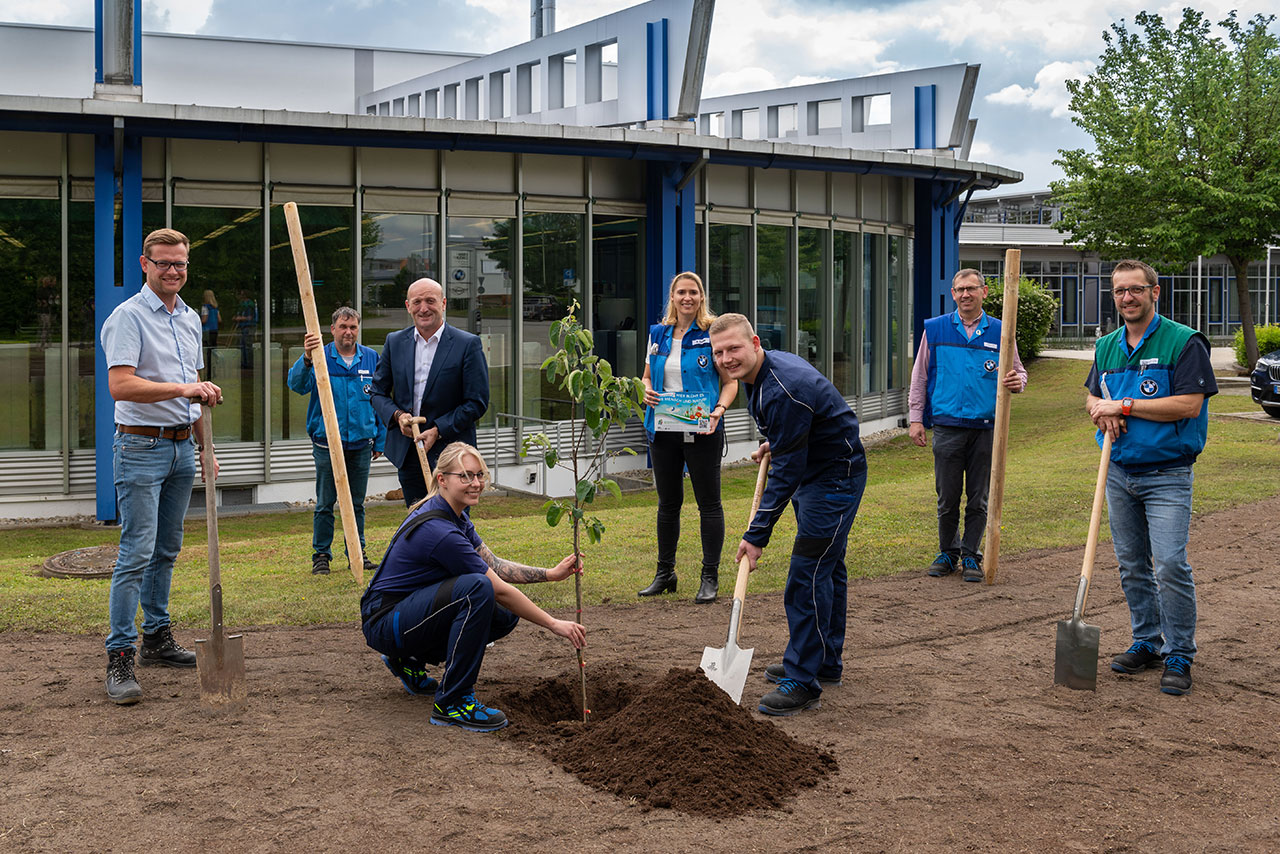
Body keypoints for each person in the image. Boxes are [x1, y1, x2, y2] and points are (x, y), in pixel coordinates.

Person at [360, 442, 586, 732]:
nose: (476, 483)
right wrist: (555, 624)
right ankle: (453, 702)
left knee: (502, 613)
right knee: (477, 590)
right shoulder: (439, 530)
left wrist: (551, 574)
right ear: (442, 479)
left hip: (402, 616)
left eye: (479, 475)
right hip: (385, 621)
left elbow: (495, 565)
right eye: (465, 476)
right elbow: (498, 586)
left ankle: (409, 660)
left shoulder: (454, 514)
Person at [709, 313, 867, 717]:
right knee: (827, 570)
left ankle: (803, 679)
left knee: (807, 575)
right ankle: (825, 661)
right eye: (719, 352)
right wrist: (775, 442)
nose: (727, 358)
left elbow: (788, 473)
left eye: (734, 348)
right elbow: (796, 432)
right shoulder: (762, 374)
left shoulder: (783, 388)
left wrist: (756, 535)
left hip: (833, 480)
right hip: (818, 473)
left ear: (756, 342)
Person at [99, 227, 222, 705]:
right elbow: (122, 386)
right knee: (136, 553)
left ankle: (156, 638)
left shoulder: (190, 318)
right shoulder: (127, 317)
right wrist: (185, 391)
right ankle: (120, 657)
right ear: (144, 265)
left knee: (167, 549)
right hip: (140, 449)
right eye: (164, 262)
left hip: (179, 450)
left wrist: (204, 447)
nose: (173, 271)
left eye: (181, 263)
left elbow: (194, 388)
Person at [1085, 259, 1217, 696]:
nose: (1127, 298)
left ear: (1154, 293)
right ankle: (1147, 640)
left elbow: (1188, 405)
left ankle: (1179, 652)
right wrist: (1099, 412)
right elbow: (1093, 397)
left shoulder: (1184, 342)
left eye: (1136, 290)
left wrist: (1121, 408)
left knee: (1170, 564)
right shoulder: (1106, 346)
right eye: (1120, 291)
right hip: (1120, 472)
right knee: (1131, 565)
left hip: (1167, 474)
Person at [909, 268, 1027, 582]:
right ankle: (949, 551)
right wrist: (916, 418)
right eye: (960, 289)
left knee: (979, 497)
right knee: (947, 497)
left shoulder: (1001, 332)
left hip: (987, 428)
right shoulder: (935, 330)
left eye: (971, 289)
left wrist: (1018, 381)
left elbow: (1019, 372)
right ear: (953, 294)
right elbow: (920, 378)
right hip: (947, 425)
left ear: (984, 292)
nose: (965, 295)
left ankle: (971, 555)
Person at [639, 271, 738, 604]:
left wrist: (719, 410)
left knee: (709, 505)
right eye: (681, 292)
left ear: (701, 297)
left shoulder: (712, 334)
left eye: (693, 292)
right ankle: (664, 573)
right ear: (672, 296)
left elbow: (730, 381)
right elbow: (648, 377)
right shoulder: (658, 333)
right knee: (668, 504)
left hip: (703, 428)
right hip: (663, 429)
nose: (687, 298)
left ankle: (709, 577)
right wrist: (647, 391)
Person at [371, 278, 489, 507]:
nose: (423, 308)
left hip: (452, 455)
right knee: (417, 521)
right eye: (417, 302)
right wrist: (398, 416)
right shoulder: (395, 342)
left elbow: (477, 402)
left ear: (443, 303)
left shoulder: (467, 344)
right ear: (408, 306)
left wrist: (438, 430)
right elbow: (377, 392)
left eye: (430, 301)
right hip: (409, 451)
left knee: (454, 523)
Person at [287, 307, 387, 576]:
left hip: (361, 444)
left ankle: (357, 551)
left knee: (356, 504)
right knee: (325, 504)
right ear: (333, 329)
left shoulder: (370, 358)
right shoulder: (321, 355)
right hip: (326, 445)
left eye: (353, 327)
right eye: (343, 327)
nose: (348, 332)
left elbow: (380, 399)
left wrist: (380, 438)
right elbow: (297, 385)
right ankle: (321, 555)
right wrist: (307, 357)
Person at [200, 288, 219, 375]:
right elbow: (219, 319)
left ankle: (207, 372)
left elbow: (204, 319)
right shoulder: (215, 308)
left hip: (207, 331)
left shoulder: (205, 307)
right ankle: (214, 370)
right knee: (213, 350)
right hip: (215, 330)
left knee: (207, 351)